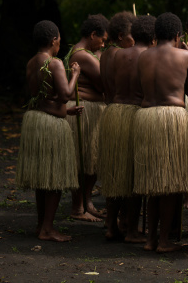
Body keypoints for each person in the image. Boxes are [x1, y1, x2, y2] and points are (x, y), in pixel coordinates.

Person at [133, 12, 188, 252]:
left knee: (152, 181)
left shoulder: (143, 57)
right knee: (170, 182)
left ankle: (150, 239)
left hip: (146, 117)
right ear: (177, 35)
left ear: (155, 35)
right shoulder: (185, 55)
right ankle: (163, 241)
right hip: (172, 117)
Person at [16, 20, 83, 242]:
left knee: (43, 176)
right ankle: (48, 229)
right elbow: (64, 94)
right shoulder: (53, 63)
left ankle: (40, 225)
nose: (59, 46)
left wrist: (68, 111)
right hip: (51, 125)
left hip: (36, 120)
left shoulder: (30, 63)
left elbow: (45, 97)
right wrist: (74, 74)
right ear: (53, 40)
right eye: (59, 41)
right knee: (53, 177)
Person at [98, 15, 156, 242]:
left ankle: (111, 226)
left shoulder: (115, 54)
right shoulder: (147, 56)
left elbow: (110, 84)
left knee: (115, 172)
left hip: (114, 113)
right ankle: (131, 230)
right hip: (134, 114)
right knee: (133, 175)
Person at [64, 14, 108, 222]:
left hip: (93, 110)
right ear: (93, 35)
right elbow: (103, 83)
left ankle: (86, 201)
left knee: (92, 160)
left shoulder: (90, 53)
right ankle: (77, 207)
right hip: (84, 110)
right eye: (102, 39)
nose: (103, 43)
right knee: (82, 160)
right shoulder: (81, 55)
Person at [100, 11, 136, 103]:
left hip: (110, 109)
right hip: (122, 109)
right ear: (120, 36)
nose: (135, 42)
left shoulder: (104, 54)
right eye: (133, 37)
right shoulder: (122, 54)